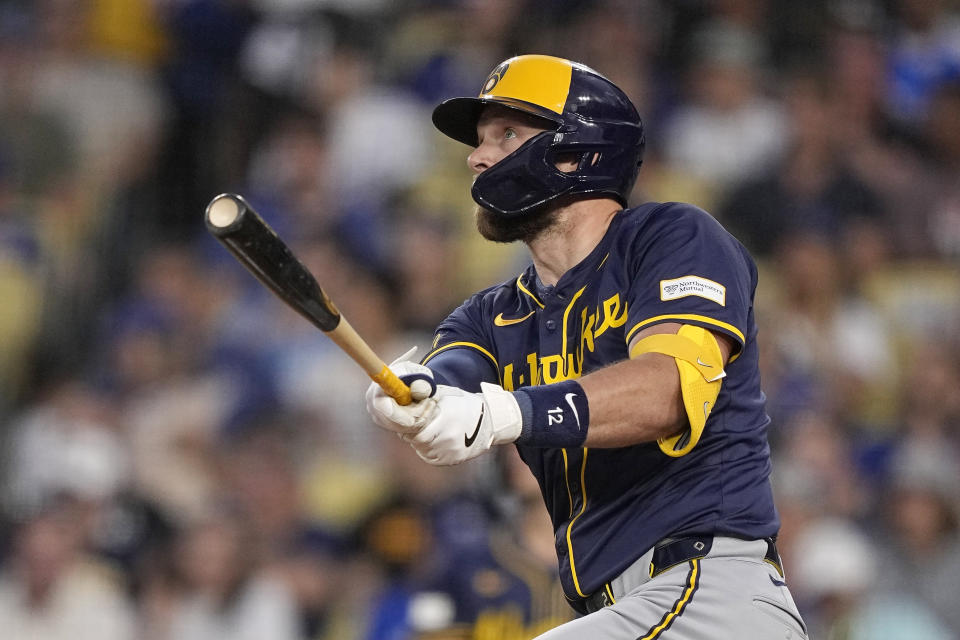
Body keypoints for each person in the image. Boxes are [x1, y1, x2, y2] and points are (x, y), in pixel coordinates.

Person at [365, 54, 807, 639]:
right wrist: (415, 397)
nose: (476, 157)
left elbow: (666, 391)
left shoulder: (670, 238)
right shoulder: (492, 312)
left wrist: (507, 411)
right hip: (616, 611)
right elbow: (455, 374)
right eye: (479, 141)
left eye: (506, 135)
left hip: (709, 598)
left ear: (574, 152)